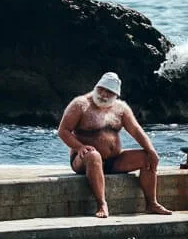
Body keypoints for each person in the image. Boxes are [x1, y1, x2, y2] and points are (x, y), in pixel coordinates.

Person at [57, 71, 172, 219]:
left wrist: (151, 150)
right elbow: (63, 131)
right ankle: (102, 204)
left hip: (114, 161)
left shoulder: (121, 108)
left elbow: (136, 131)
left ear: (115, 95)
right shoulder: (80, 104)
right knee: (93, 155)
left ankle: (152, 203)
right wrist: (79, 147)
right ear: (96, 87)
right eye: (101, 89)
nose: (103, 94)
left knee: (147, 157)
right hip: (84, 159)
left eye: (109, 92)